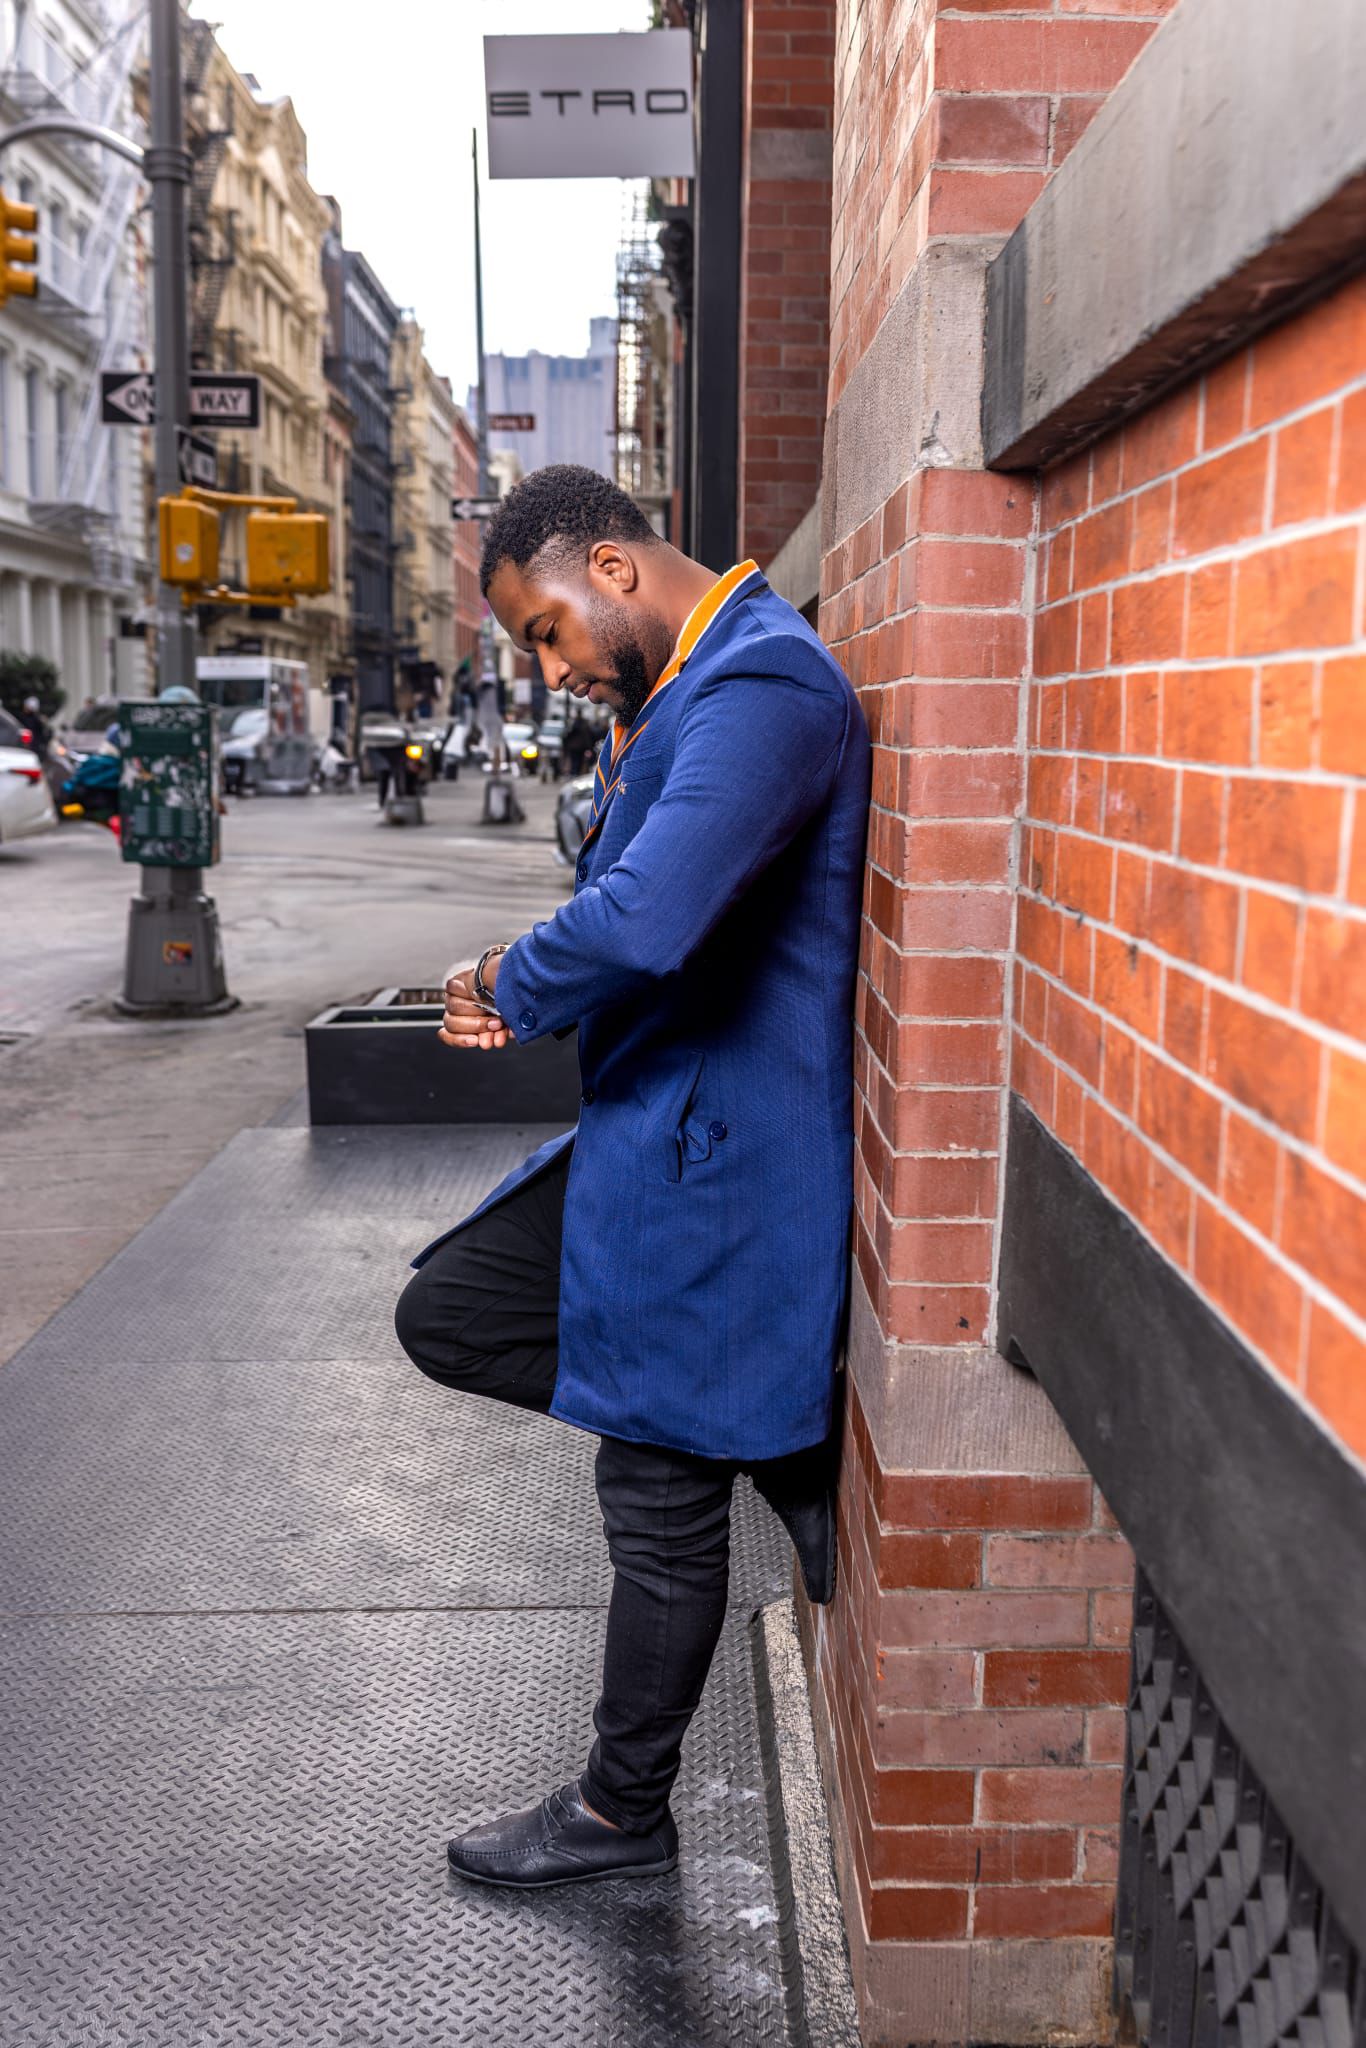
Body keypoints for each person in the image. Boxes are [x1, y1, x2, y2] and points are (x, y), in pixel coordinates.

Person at [394, 464, 870, 1890]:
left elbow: (650, 920)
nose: (545, 668)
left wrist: (502, 978)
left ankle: (620, 1812)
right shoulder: (672, 694)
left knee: (651, 1502)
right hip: (646, 1135)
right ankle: (773, 1441)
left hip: (717, 1162)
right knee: (455, 1309)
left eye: (544, 632)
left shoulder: (761, 690)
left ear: (610, 567)